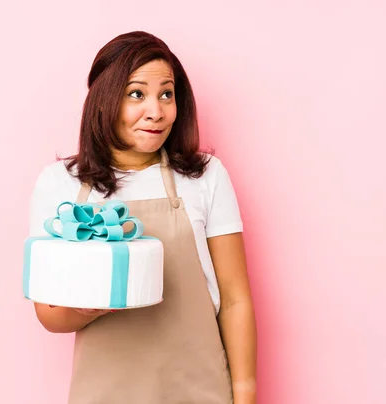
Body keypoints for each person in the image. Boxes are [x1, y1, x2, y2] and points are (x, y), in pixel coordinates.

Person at [28, 31, 257, 404]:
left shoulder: (205, 176)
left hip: (199, 388)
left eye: (166, 94)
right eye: (137, 94)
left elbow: (235, 300)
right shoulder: (61, 185)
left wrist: (245, 394)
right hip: (104, 392)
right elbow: (49, 314)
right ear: (104, 99)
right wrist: (109, 294)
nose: (157, 111)